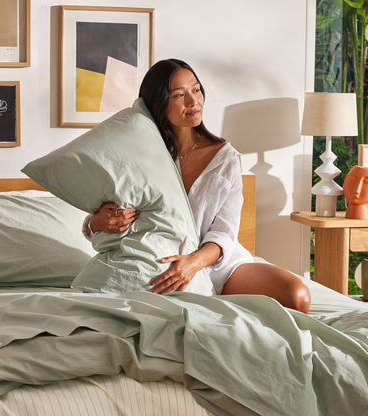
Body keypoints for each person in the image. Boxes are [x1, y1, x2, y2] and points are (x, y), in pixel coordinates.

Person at [83, 58, 311, 314]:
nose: (194, 101)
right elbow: (102, 221)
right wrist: (96, 223)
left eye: (196, 89)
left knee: (297, 296)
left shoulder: (225, 159)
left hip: (213, 262)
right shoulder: (135, 156)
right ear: (158, 103)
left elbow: (224, 232)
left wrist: (192, 264)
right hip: (156, 264)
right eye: (180, 94)